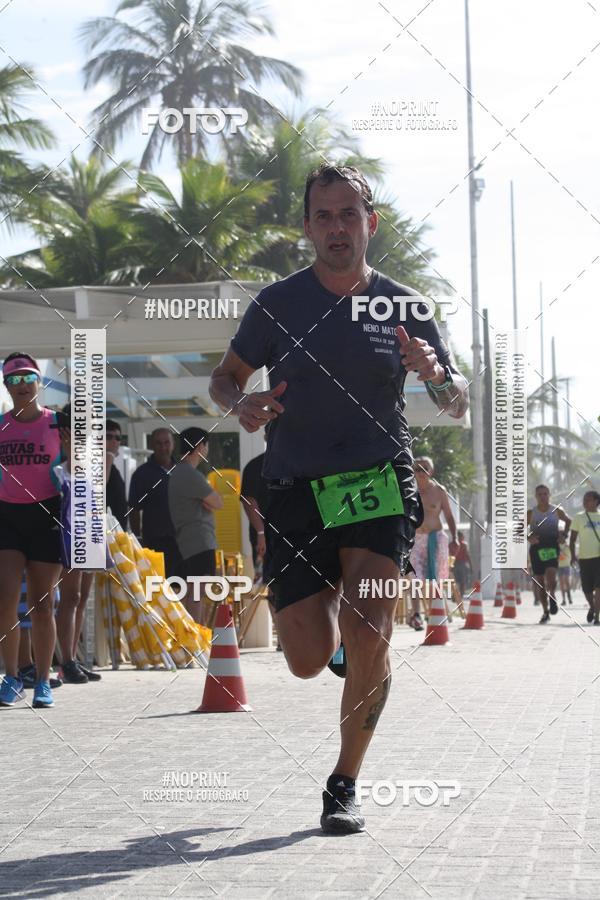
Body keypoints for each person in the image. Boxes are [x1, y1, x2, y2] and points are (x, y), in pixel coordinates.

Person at [208, 163, 469, 834]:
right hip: (295, 486)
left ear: (369, 223)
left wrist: (437, 375)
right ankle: (343, 640)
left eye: (348, 215)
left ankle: (345, 782)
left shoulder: (404, 306)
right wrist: (244, 403)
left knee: (372, 627)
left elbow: (457, 399)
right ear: (307, 229)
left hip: (376, 480)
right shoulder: (276, 304)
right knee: (304, 659)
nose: (336, 229)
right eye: (323, 217)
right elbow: (225, 378)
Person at [0, 352, 66, 708]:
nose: (23, 385)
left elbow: (83, 469)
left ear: (39, 383)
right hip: (6, 515)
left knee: (42, 605)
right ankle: (11, 677)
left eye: (29, 379)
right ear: (7, 386)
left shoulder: (57, 423)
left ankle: (43, 679)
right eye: (15, 379)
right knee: (5, 601)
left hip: (46, 515)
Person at [53, 403, 101, 684]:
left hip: (89, 529)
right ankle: (65, 661)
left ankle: (72, 660)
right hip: (66, 530)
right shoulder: (60, 458)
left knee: (81, 597)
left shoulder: (95, 457)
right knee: (67, 598)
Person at [167, 428, 224, 625]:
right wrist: (206, 501)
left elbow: (211, 501)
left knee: (191, 591)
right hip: (199, 540)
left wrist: (205, 500)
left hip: (188, 540)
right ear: (201, 446)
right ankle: (195, 639)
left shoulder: (179, 472)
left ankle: (190, 638)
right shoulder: (189, 474)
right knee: (197, 592)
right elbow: (217, 502)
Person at [408, 457, 458, 630]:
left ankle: (435, 612)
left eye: (424, 468)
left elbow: (449, 516)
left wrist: (455, 538)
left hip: (436, 538)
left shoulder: (439, 491)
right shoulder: (408, 491)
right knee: (414, 578)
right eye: (417, 469)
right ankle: (416, 615)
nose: (421, 472)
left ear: (431, 471)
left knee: (434, 578)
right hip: (415, 540)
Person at [129, 428, 182, 577]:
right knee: (157, 590)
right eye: (158, 443)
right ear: (152, 445)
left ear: (173, 444)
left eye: (167, 443)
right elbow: (134, 509)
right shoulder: (141, 474)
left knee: (184, 589)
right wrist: (138, 541)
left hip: (183, 542)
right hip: (155, 544)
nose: (163, 447)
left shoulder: (183, 471)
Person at [527, 485, 571, 624]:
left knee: (551, 576)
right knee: (540, 583)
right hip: (536, 548)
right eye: (540, 494)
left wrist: (563, 535)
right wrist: (529, 537)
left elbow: (568, 521)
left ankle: (552, 595)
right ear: (536, 496)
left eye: (545, 494)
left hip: (551, 545)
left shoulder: (556, 511)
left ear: (549, 495)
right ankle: (545, 612)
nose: (543, 496)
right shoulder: (531, 513)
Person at [569, 491, 600, 624]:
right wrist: (573, 556)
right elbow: (572, 539)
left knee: (599, 588)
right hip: (584, 558)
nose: (585, 502)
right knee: (587, 589)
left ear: (596, 502)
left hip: (599, 558)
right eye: (584, 500)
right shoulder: (579, 517)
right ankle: (592, 607)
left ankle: (597, 617)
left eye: (588, 500)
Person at [240, 446, 269, 573]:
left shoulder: (295, 462)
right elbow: (249, 500)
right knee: (266, 581)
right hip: (265, 534)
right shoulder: (256, 465)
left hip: (291, 533)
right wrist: (261, 533)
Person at [106, 419, 127, 530]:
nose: (114, 441)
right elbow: (100, 485)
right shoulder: (91, 463)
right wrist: (109, 454)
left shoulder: (113, 468)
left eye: (118, 438)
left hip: (117, 531)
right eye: (109, 437)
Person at [453, 530, 472, 599]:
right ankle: (460, 595)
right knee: (462, 581)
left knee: (456, 581)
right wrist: (471, 566)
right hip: (461, 564)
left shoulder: (453, 544)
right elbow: (467, 555)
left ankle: (456, 595)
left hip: (455, 564)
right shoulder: (464, 545)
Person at [558, 530, 573, 606]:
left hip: (566, 565)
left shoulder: (567, 546)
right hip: (559, 566)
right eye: (559, 536)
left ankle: (569, 597)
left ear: (564, 537)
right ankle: (563, 599)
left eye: (562, 536)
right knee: (561, 583)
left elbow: (570, 556)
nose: (560, 537)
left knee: (566, 582)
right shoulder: (556, 546)